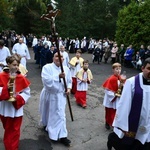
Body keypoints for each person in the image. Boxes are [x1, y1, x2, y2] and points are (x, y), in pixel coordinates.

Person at [107, 57, 150, 150]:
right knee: (128, 143)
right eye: (149, 68)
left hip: (148, 121)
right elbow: (123, 104)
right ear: (142, 68)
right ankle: (111, 140)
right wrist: (122, 125)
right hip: (135, 122)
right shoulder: (132, 82)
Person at [39, 52, 72, 146]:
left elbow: (69, 81)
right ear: (53, 58)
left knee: (60, 115)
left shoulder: (66, 69)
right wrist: (58, 76)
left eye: (61, 57)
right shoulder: (47, 67)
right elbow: (46, 80)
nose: (59, 58)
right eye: (57, 56)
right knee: (48, 112)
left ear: (63, 59)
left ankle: (62, 135)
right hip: (49, 95)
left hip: (61, 95)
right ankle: (47, 125)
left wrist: (68, 89)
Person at [0, 54, 30, 150]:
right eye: (14, 65)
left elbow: (27, 92)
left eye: (17, 65)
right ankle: (10, 143)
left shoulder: (21, 77)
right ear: (8, 64)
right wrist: (6, 90)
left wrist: (18, 97)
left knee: (14, 130)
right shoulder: (1, 75)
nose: (16, 67)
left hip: (16, 109)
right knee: (8, 129)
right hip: (5, 107)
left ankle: (12, 147)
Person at [102, 63, 122, 130]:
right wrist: (114, 94)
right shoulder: (111, 79)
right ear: (113, 70)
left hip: (117, 98)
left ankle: (114, 124)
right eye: (116, 69)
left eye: (119, 69)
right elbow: (107, 90)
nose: (118, 71)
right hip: (111, 99)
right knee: (109, 112)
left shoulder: (121, 78)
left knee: (115, 112)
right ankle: (107, 122)